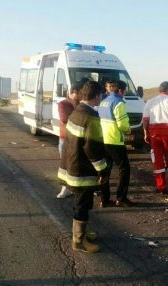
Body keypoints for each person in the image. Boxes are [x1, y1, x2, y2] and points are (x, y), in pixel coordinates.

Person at [58, 81, 109, 253]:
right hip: (82, 170)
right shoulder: (90, 117)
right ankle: (78, 241)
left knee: (81, 203)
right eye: (101, 94)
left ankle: (82, 233)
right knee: (82, 204)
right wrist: (103, 169)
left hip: (72, 165)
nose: (102, 97)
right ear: (96, 96)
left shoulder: (77, 111)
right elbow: (92, 148)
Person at [142, 81, 168, 195]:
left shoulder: (150, 102)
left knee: (157, 160)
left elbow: (145, 120)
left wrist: (146, 133)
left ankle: (161, 187)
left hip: (154, 135)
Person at [98, 80, 132, 207]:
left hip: (104, 139)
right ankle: (121, 198)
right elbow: (122, 125)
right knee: (124, 169)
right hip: (115, 140)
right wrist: (128, 129)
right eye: (125, 90)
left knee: (105, 170)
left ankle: (104, 199)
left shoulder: (103, 102)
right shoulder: (118, 103)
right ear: (121, 90)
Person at [56, 80, 85, 199]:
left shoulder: (81, 104)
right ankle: (65, 189)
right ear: (74, 92)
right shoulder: (63, 104)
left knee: (80, 164)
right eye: (81, 93)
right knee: (66, 165)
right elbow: (65, 119)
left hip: (79, 139)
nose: (83, 95)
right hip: (66, 139)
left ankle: (79, 188)